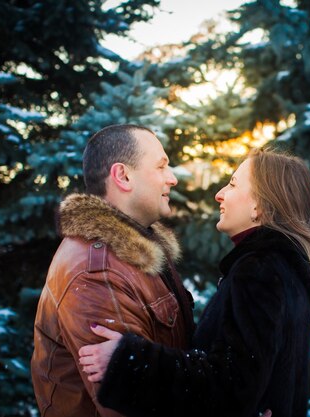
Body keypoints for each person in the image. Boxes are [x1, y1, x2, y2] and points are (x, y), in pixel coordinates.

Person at [78, 148, 310, 417]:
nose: (219, 194)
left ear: (260, 207)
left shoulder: (260, 271)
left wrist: (129, 363)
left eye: (232, 184)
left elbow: (229, 389)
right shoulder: (283, 270)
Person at [30, 124, 195, 417]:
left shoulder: (138, 250)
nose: (171, 179)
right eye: (161, 167)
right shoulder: (97, 274)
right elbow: (133, 405)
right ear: (123, 176)